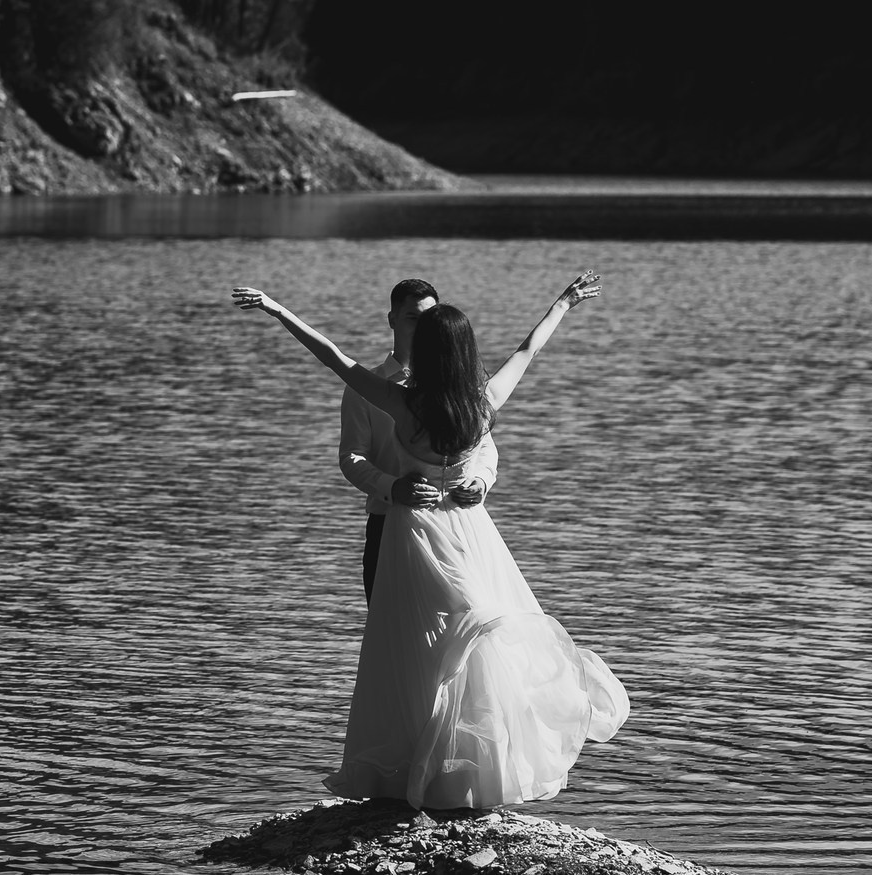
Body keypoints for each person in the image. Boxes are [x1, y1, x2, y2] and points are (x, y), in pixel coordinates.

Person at [232, 271, 628, 810]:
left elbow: (333, 357)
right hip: (467, 534)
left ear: (431, 347)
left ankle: (425, 770)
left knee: (408, 653)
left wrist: (280, 312)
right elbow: (529, 349)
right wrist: (563, 301)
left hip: (413, 534)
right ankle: (454, 770)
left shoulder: (404, 403)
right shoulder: (483, 400)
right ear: (465, 352)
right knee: (468, 641)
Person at [343, 278, 497, 601]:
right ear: (392, 320)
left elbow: (484, 448)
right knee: (392, 636)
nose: (422, 328)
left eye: (429, 319)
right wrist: (392, 488)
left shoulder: (459, 390)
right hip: (388, 528)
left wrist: (480, 482)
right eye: (413, 318)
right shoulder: (367, 386)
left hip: (451, 528)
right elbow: (352, 457)